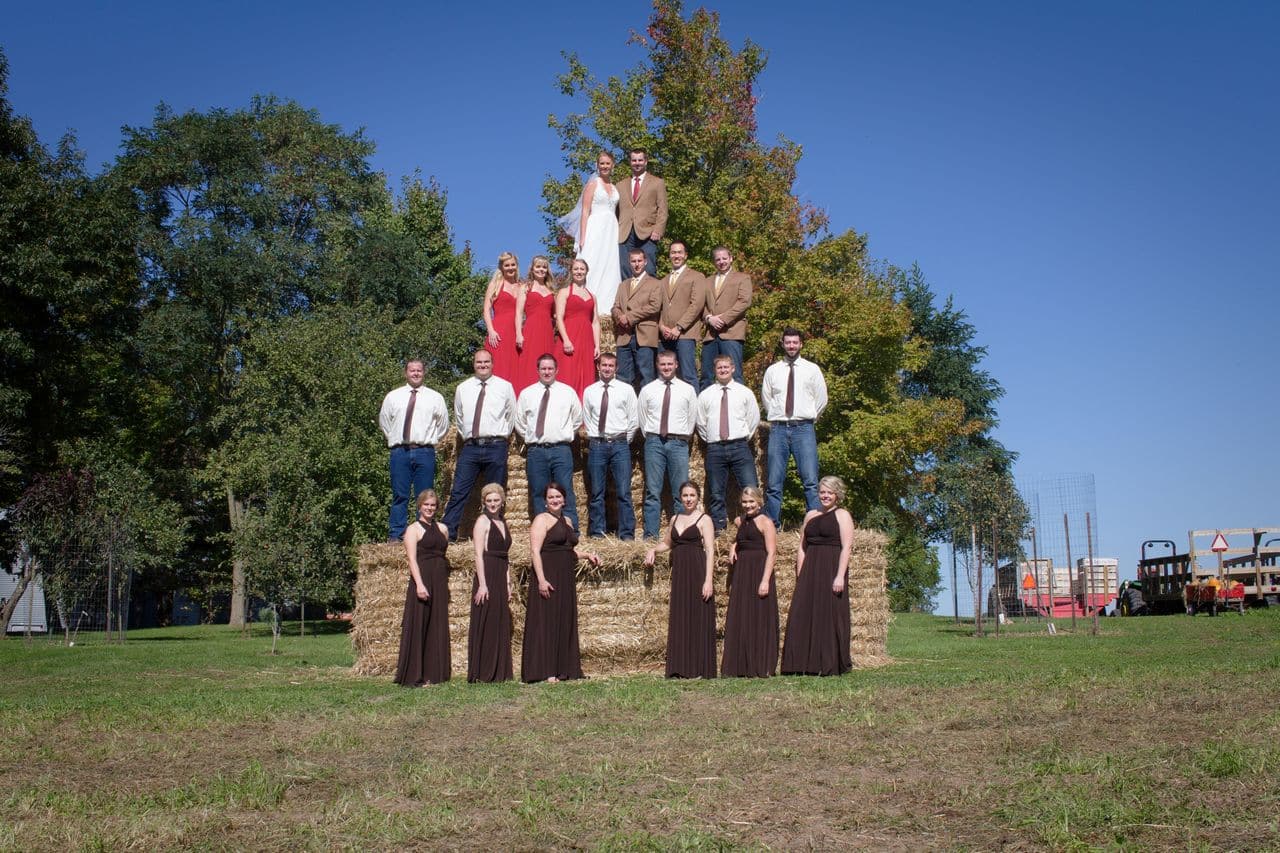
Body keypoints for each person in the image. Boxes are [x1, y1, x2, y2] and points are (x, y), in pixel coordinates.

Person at [523, 482, 600, 683]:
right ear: (545, 501)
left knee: (564, 619)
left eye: (558, 496)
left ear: (564, 499)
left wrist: (587, 555)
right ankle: (547, 671)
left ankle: (564, 668)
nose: (555, 500)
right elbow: (535, 552)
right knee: (547, 621)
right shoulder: (541, 520)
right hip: (548, 576)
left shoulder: (567, 520)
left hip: (566, 577)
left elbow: (567, 550)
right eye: (551, 497)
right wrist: (541, 580)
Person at [781, 476, 856, 676]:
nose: (825, 496)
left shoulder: (843, 515)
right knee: (802, 613)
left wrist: (840, 576)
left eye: (830, 492)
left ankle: (827, 662)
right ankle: (800, 663)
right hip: (810, 569)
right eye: (822, 492)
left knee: (828, 614)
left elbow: (846, 547)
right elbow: (802, 547)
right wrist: (801, 573)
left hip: (831, 568)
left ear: (837, 494)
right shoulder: (810, 515)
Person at [442, 349, 517, 542]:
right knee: (458, 491)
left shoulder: (505, 387)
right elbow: (459, 417)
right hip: (471, 447)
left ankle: (493, 534)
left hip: (496, 446)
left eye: (486, 362)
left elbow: (511, 415)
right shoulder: (463, 388)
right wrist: (469, 436)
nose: (483, 365)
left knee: (495, 493)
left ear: (492, 364)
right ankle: (448, 535)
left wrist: (501, 435)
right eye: (479, 362)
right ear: (474, 364)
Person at [644, 481, 717, 679]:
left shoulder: (705, 519)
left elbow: (710, 550)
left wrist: (708, 580)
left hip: (697, 571)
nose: (688, 499)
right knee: (681, 617)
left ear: (698, 497)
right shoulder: (675, 518)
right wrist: (653, 550)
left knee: (697, 617)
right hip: (680, 575)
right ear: (680, 497)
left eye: (692, 495)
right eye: (685, 495)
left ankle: (698, 667)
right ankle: (681, 667)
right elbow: (667, 543)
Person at [760, 328, 828, 528]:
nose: (791, 346)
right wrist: (779, 417)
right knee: (774, 482)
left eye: (795, 342)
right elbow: (767, 399)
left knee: (810, 481)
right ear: (783, 344)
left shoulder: (812, 369)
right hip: (778, 429)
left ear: (801, 344)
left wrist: (808, 417)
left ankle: (814, 525)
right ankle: (772, 526)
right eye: (788, 342)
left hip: (803, 429)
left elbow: (822, 399)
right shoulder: (773, 371)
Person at [378, 359, 448, 540]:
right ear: (406, 373)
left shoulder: (435, 397)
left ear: (424, 373)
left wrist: (429, 440)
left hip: (425, 452)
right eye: (412, 370)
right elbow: (385, 422)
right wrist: (396, 439)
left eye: (419, 370)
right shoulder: (393, 396)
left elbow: (443, 426)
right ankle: (396, 535)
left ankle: (423, 535)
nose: (415, 373)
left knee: (425, 497)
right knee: (399, 495)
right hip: (399, 452)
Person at [695, 354, 761, 532]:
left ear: (733, 368)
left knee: (751, 488)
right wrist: (712, 439)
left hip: (740, 447)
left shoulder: (744, 392)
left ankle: (754, 527)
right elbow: (701, 422)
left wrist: (743, 436)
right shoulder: (706, 395)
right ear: (714, 370)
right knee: (716, 493)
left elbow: (753, 418)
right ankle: (719, 530)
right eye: (719, 368)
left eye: (726, 367)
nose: (723, 370)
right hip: (715, 448)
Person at [515, 354, 583, 527]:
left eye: (550, 368)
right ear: (537, 370)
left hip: (561, 450)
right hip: (536, 451)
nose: (547, 372)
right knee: (538, 492)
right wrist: (532, 438)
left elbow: (577, 418)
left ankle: (570, 531)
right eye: (543, 368)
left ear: (556, 370)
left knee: (565, 491)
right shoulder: (527, 394)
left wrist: (564, 433)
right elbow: (520, 422)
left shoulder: (567, 392)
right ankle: (544, 531)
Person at [637, 350, 698, 539]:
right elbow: (642, 417)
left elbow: (692, 417)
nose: (666, 367)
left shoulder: (687, 390)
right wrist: (652, 436)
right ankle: (650, 535)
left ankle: (680, 535)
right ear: (657, 365)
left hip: (678, 442)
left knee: (681, 492)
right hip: (654, 442)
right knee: (652, 491)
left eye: (670, 364)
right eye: (663, 364)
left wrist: (683, 436)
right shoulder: (648, 390)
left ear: (676, 365)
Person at [394, 490, 451, 686]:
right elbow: (411, 559)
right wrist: (419, 584)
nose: (429, 508)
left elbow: (442, 554)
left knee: (437, 623)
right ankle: (415, 673)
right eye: (426, 504)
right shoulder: (413, 529)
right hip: (422, 579)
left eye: (433, 505)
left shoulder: (443, 528)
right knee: (420, 624)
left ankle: (434, 673)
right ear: (419, 506)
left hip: (439, 580)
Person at [720, 486, 778, 678]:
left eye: (751, 501)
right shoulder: (739, 521)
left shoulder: (766, 522)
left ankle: (759, 663)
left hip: (759, 570)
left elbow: (772, 553)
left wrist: (765, 581)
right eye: (745, 502)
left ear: (759, 502)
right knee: (742, 614)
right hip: (742, 572)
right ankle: (739, 665)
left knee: (758, 616)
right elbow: (741, 539)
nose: (748, 505)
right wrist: (733, 547)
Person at [581, 352, 639, 539]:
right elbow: (587, 418)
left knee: (624, 492)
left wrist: (623, 440)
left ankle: (626, 534)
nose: (607, 369)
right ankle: (597, 533)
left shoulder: (626, 390)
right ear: (598, 367)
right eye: (604, 365)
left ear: (616, 368)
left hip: (620, 445)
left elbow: (634, 419)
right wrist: (597, 437)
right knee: (597, 492)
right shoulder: (590, 391)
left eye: (610, 365)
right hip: (597, 445)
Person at [558, 151, 621, 315]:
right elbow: (585, 212)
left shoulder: (615, 188)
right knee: (593, 262)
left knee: (610, 265)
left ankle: (607, 308)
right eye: (602, 163)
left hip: (611, 230)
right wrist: (582, 237)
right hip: (596, 227)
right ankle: (586, 304)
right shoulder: (593, 184)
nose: (605, 166)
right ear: (597, 165)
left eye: (607, 163)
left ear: (613, 165)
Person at [467, 483, 513, 683]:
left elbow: (505, 555)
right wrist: (483, 584)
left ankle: (499, 671)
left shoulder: (503, 522)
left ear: (502, 501)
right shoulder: (482, 522)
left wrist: (508, 582)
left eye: (496, 500)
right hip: (487, 573)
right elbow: (478, 555)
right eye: (489, 501)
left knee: (499, 621)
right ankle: (484, 671)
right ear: (484, 502)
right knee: (487, 620)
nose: (493, 504)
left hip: (501, 572)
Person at [700, 246, 752, 388]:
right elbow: (700, 305)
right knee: (706, 376)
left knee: (734, 375)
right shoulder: (706, 281)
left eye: (724, 258)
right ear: (714, 262)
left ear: (731, 258)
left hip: (732, 333)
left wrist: (723, 319)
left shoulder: (742, 278)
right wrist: (709, 318)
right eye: (718, 259)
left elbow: (744, 302)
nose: (721, 262)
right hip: (711, 335)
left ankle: (736, 402)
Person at [611, 248, 662, 391]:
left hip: (644, 336)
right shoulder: (623, 285)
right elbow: (615, 307)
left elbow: (654, 306)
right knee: (622, 377)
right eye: (633, 261)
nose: (636, 264)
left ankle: (646, 405)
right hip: (624, 336)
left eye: (639, 261)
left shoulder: (655, 283)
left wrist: (629, 317)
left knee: (646, 375)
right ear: (629, 263)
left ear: (645, 262)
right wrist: (619, 316)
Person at [658, 240, 707, 387]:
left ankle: (693, 403)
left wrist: (679, 327)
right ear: (669, 255)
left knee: (687, 375)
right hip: (665, 335)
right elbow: (658, 307)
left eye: (679, 252)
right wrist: (661, 326)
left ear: (686, 255)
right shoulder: (663, 280)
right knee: (665, 375)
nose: (676, 255)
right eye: (673, 252)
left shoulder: (696, 277)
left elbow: (696, 305)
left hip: (685, 334)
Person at [615, 148, 668, 280]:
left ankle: (649, 293)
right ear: (630, 162)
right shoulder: (620, 185)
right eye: (634, 160)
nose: (637, 163)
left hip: (648, 233)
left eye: (640, 160)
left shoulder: (657, 182)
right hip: (625, 233)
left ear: (645, 161)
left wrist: (658, 230)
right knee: (625, 268)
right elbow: (616, 212)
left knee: (648, 269)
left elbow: (663, 209)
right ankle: (628, 293)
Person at [554, 258, 600, 399]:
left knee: (586, 373)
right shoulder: (564, 292)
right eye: (576, 269)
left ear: (586, 272)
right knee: (568, 372)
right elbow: (559, 318)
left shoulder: (592, 296)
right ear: (571, 271)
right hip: (570, 336)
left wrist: (597, 345)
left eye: (582, 269)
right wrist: (566, 340)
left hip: (587, 340)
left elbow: (595, 322)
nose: (579, 272)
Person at [514, 255, 558, 394]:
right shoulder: (525, 287)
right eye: (538, 266)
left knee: (547, 363)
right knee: (529, 363)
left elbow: (555, 315)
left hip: (547, 332)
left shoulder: (552, 290)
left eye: (544, 267)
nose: (541, 269)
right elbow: (518, 313)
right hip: (531, 330)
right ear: (532, 269)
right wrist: (519, 334)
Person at [481, 251, 524, 384]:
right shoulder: (496, 284)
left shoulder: (522, 286)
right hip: (498, 333)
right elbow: (486, 309)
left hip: (516, 333)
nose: (510, 268)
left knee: (516, 369)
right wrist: (491, 330)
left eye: (513, 265)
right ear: (501, 267)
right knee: (499, 368)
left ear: (517, 266)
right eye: (507, 265)